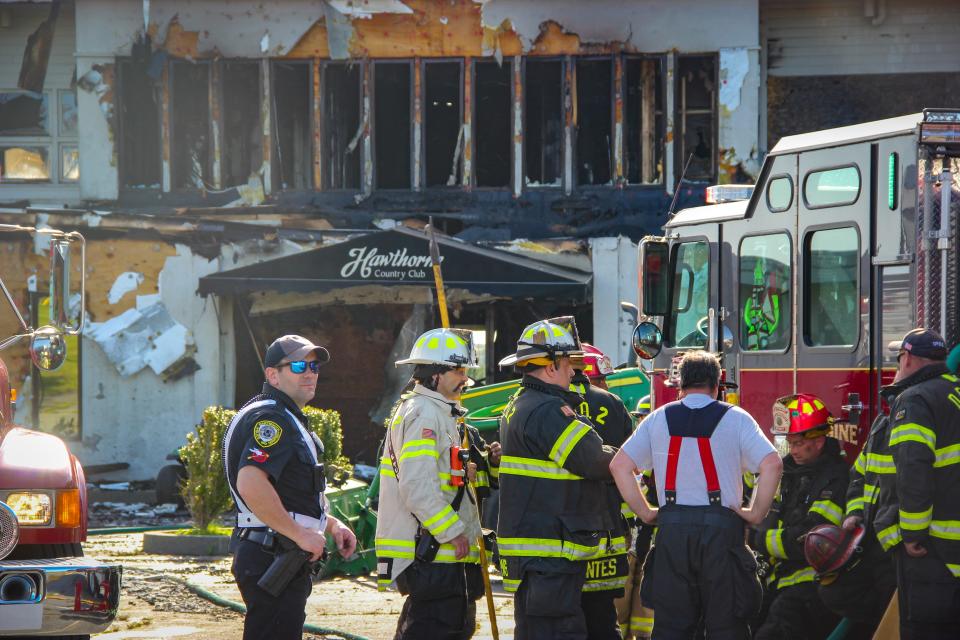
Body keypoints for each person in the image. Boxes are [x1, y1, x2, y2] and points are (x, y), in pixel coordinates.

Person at [610, 350, 782, 639]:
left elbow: (619, 465)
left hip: (672, 535)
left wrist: (647, 512)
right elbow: (773, 463)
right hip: (722, 537)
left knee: (672, 628)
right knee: (726, 626)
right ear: (717, 386)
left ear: (680, 386)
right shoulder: (736, 418)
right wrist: (755, 513)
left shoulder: (657, 419)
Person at [224, 335, 357, 640]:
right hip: (273, 553)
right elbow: (251, 482)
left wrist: (331, 526)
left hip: (275, 549)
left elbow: (290, 493)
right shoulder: (273, 419)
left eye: (314, 366)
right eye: (298, 365)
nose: (309, 372)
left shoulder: (283, 416)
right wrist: (299, 534)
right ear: (273, 375)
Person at [497, 317, 618, 639]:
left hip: (539, 553)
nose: (573, 373)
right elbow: (593, 460)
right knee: (557, 631)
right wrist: (637, 455)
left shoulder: (522, 404)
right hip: (549, 551)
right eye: (568, 365)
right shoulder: (548, 411)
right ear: (550, 367)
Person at [375, 327, 496, 640]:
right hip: (434, 554)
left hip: (442, 556)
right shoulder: (425, 415)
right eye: (457, 369)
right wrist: (452, 531)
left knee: (450, 627)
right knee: (436, 629)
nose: (465, 377)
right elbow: (417, 486)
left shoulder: (440, 413)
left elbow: (438, 478)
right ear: (434, 374)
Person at [750, 394, 848, 639]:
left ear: (818, 440)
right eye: (789, 443)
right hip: (776, 578)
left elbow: (809, 541)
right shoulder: (788, 471)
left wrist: (755, 540)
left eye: (797, 443)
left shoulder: (835, 479)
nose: (791, 450)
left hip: (811, 584)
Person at [886, 328, 960, 639]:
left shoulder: (914, 400)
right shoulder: (954, 393)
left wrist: (912, 534)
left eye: (899, 358)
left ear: (910, 358)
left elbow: (914, 474)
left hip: (934, 551)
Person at [817, 385, 901, 640]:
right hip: (869, 534)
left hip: (898, 544)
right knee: (837, 592)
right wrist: (854, 513)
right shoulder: (880, 424)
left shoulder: (917, 420)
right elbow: (858, 477)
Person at [571, 343, 635, 640]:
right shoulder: (613, 404)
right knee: (603, 612)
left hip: (565, 531)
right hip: (608, 527)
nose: (605, 386)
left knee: (567, 614)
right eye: (601, 379)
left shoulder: (547, 405)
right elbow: (630, 464)